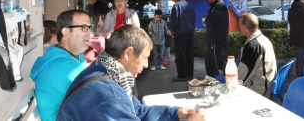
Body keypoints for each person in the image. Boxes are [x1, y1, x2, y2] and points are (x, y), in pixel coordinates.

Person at [57, 25, 207, 121]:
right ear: (128, 53)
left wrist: (175, 113)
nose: (146, 65)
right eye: (144, 58)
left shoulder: (102, 68)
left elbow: (136, 109)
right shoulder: (109, 96)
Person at [30, 10, 91, 121]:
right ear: (66, 32)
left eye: (89, 27)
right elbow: (92, 100)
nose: (89, 33)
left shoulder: (77, 55)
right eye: (83, 27)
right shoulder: (58, 67)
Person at [238, 13, 277, 98]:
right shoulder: (264, 39)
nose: (239, 28)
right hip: (267, 85)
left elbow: (240, 79)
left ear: (245, 27)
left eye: (239, 25)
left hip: (259, 91)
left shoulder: (252, 46)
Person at [170, 0, 196, 81]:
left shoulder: (176, 6)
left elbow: (174, 21)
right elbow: (194, 19)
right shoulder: (190, 6)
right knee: (189, 54)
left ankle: (182, 76)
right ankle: (190, 74)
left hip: (180, 33)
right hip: (190, 33)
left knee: (180, 55)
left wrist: (173, 30)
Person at [203, 0, 229, 77]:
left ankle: (222, 80)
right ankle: (211, 80)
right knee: (210, 62)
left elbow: (209, 21)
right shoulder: (215, 6)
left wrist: (205, 20)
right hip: (213, 40)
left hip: (216, 40)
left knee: (217, 63)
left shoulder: (219, 6)